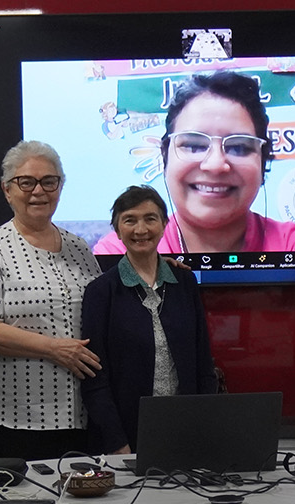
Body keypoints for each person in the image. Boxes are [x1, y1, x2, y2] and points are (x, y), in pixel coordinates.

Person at [0, 141, 102, 460]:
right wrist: (53, 349)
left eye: (49, 181)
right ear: (7, 190)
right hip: (16, 416)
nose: (39, 191)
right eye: (27, 182)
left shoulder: (80, 248)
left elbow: (107, 306)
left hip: (81, 412)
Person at [94, 71, 295, 254]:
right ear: (165, 157)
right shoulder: (119, 252)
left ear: (263, 163)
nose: (215, 164)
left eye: (239, 147)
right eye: (193, 145)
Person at [81, 186, 218, 454]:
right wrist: (118, 443)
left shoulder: (184, 283)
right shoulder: (100, 292)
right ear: (117, 230)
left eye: (150, 218)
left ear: (165, 224)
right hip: (127, 437)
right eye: (129, 220)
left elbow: (203, 364)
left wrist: (203, 426)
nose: (140, 229)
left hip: (186, 431)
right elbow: (95, 379)